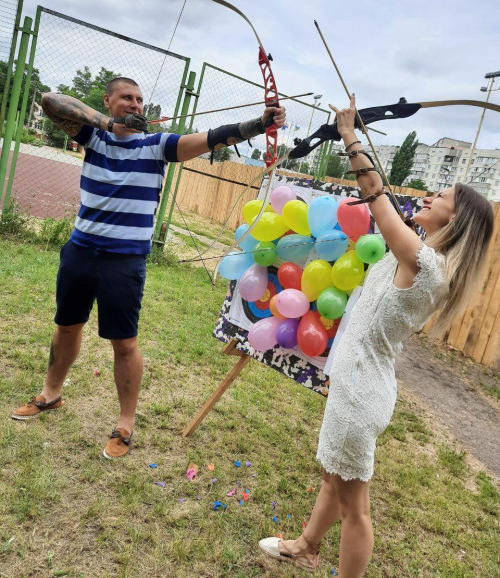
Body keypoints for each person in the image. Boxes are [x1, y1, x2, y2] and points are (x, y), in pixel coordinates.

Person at [259, 94, 494, 575]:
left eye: (441, 197)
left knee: (355, 509)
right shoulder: (419, 250)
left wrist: (350, 135)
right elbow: (384, 199)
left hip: (362, 392)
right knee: (332, 477)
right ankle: (305, 544)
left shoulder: (426, 264)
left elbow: (376, 196)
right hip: (356, 382)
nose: (430, 197)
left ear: (456, 219)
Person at [11, 77, 285, 459]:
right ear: (108, 102)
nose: (135, 104)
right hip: (80, 250)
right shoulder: (94, 136)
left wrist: (258, 124)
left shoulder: (158, 144)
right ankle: (51, 394)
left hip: (124, 259)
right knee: (66, 327)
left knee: (124, 343)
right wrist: (108, 125)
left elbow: (212, 138)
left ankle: (125, 424)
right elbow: (50, 100)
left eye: (140, 100)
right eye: (126, 98)